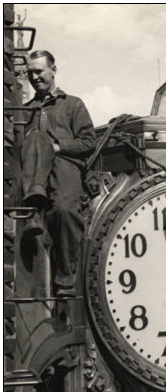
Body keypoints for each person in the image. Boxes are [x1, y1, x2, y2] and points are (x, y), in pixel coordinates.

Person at [21, 50, 96, 298]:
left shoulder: (73, 104)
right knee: (34, 139)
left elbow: (88, 143)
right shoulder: (25, 110)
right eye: (30, 72)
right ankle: (34, 208)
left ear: (53, 70)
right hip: (34, 174)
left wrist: (57, 147)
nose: (34, 77)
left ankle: (65, 279)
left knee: (64, 210)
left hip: (65, 167)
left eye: (39, 71)